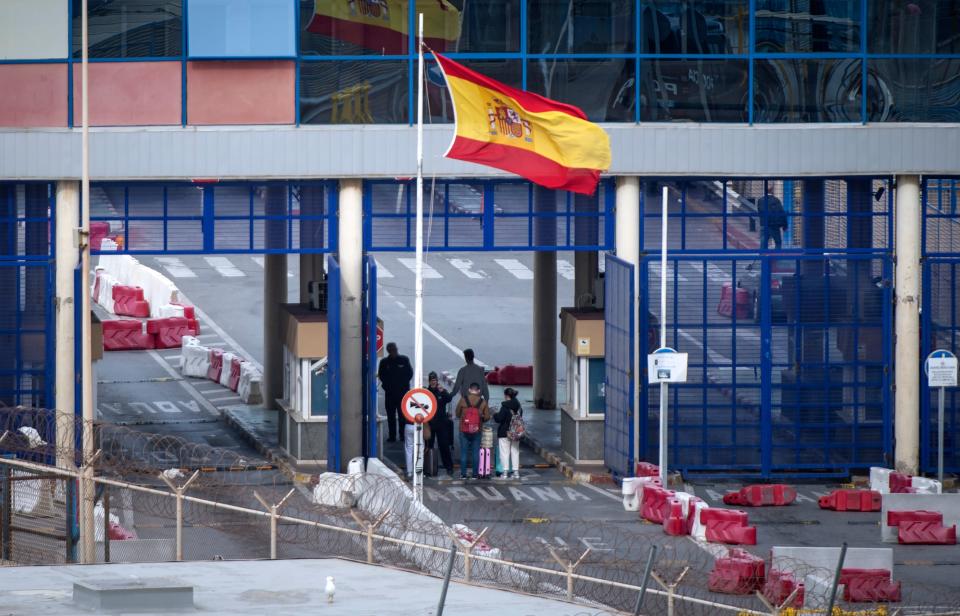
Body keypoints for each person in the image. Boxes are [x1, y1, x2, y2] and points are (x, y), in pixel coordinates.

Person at [377, 342, 413, 442]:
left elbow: (409, 374)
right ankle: (392, 436)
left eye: (395, 349)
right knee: (391, 416)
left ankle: (402, 435)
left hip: (403, 394)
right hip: (390, 394)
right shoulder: (384, 362)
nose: (394, 351)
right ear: (389, 351)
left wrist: (403, 385)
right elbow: (381, 376)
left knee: (403, 416)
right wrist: (387, 387)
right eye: (392, 350)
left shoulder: (404, 360)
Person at [454, 382, 489, 480]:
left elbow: (457, 414)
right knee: (475, 452)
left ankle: (463, 474)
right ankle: (474, 474)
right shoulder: (483, 402)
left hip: (463, 429)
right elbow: (487, 417)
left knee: (464, 452)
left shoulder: (463, 400)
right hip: (477, 430)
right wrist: (480, 417)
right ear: (478, 391)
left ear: (469, 390)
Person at [426, 371, 455, 478]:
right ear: (429, 381)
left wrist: (443, 391)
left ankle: (449, 467)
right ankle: (428, 467)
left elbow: (449, 398)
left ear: (437, 381)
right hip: (430, 423)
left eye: (435, 380)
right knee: (428, 446)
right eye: (432, 381)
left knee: (444, 446)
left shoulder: (441, 391)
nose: (433, 382)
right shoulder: (426, 392)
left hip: (441, 423)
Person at [494, 387, 523, 479]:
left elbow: (499, 419)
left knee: (504, 453)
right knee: (515, 452)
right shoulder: (519, 407)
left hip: (504, 433)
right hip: (516, 432)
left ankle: (505, 472)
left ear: (506, 396)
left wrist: (494, 414)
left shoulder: (505, 407)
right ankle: (516, 472)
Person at [758, 185, 788, 250]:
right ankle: (776, 257)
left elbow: (760, 213)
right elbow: (781, 213)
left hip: (764, 225)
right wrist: (785, 226)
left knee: (763, 243)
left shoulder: (760, 200)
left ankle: (763, 257)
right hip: (774, 225)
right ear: (772, 191)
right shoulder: (776, 200)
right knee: (778, 242)